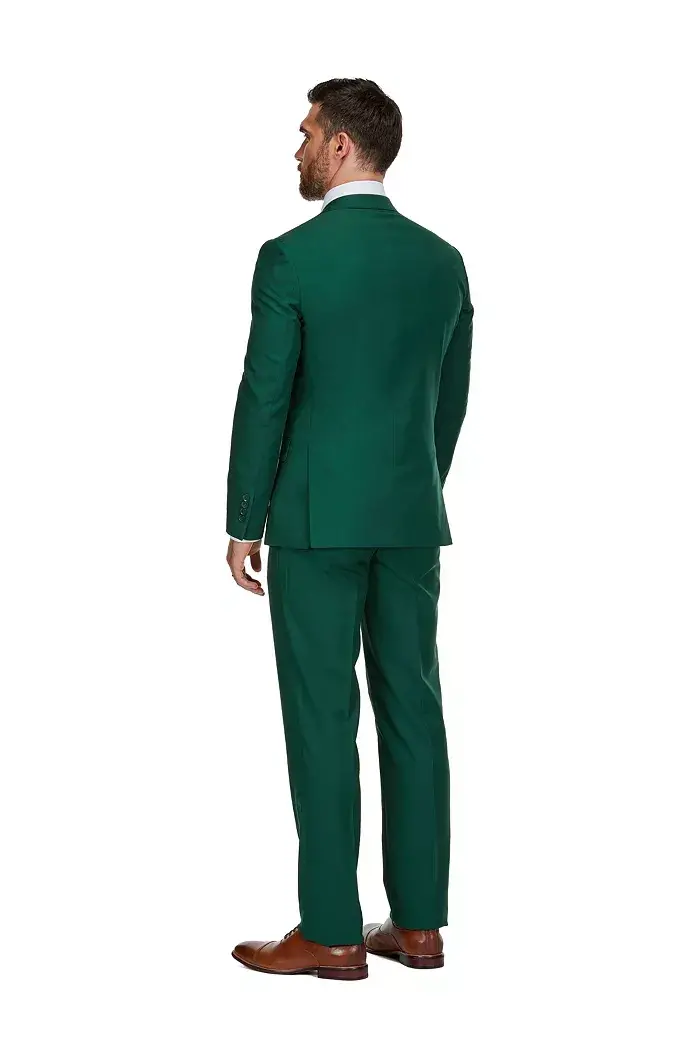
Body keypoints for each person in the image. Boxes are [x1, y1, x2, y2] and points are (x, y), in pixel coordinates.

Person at [226, 78, 473, 980]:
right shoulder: (442, 262)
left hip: (314, 520)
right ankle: (420, 926)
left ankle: (332, 930)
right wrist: (414, 486)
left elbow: (265, 397)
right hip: (409, 518)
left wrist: (243, 519)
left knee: (323, 721)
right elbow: (450, 397)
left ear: (340, 145)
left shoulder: (291, 258)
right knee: (415, 711)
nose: (296, 149)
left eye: (306, 133)